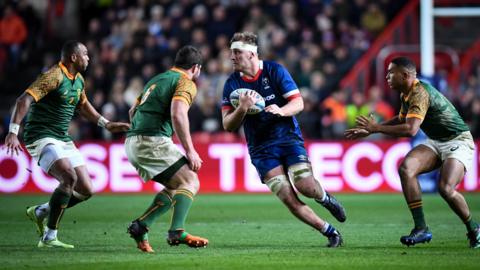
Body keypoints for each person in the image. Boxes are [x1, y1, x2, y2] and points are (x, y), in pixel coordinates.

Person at [221, 32, 346, 248]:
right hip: (260, 148)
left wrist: (280, 111)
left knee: (305, 185)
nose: (232, 57)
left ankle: (325, 198)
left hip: (287, 138)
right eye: (232, 52)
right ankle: (330, 232)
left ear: (251, 54)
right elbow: (228, 125)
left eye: (237, 52)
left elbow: (298, 104)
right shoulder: (232, 84)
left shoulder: (274, 71)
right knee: (288, 196)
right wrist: (241, 108)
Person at [4, 40, 130, 248]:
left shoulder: (78, 79)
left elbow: (83, 105)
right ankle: (50, 236)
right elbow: (23, 100)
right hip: (41, 136)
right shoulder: (53, 76)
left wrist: (106, 124)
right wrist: (13, 132)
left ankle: (41, 211)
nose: (89, 58)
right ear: (74, 57)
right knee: (69, 177)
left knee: (86, 189)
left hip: (62, 138)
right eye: (85, 54)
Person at [345, 56, 480, 249]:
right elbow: (402, 119)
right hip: (436, 141)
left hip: (458, 140)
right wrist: (372, 128)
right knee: (406, 169)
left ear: (406, 75)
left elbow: (410, 130)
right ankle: (421, 228)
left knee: (446, 188)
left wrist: (376, 129)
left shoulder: (420, 93)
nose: (387, 76)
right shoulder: (406, 94)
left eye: (391, 73)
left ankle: (473, 228)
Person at [125, 45, 208, 253]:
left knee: (175, 187)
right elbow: (178, 114)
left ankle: (141, 226)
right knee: (190, 180)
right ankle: (176, 231)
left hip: (133, 141)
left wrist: (140, 132)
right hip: (152, 140)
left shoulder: (157, 79)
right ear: (196, 67)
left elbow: (132, 110)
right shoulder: (185, 82)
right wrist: (190, 150)